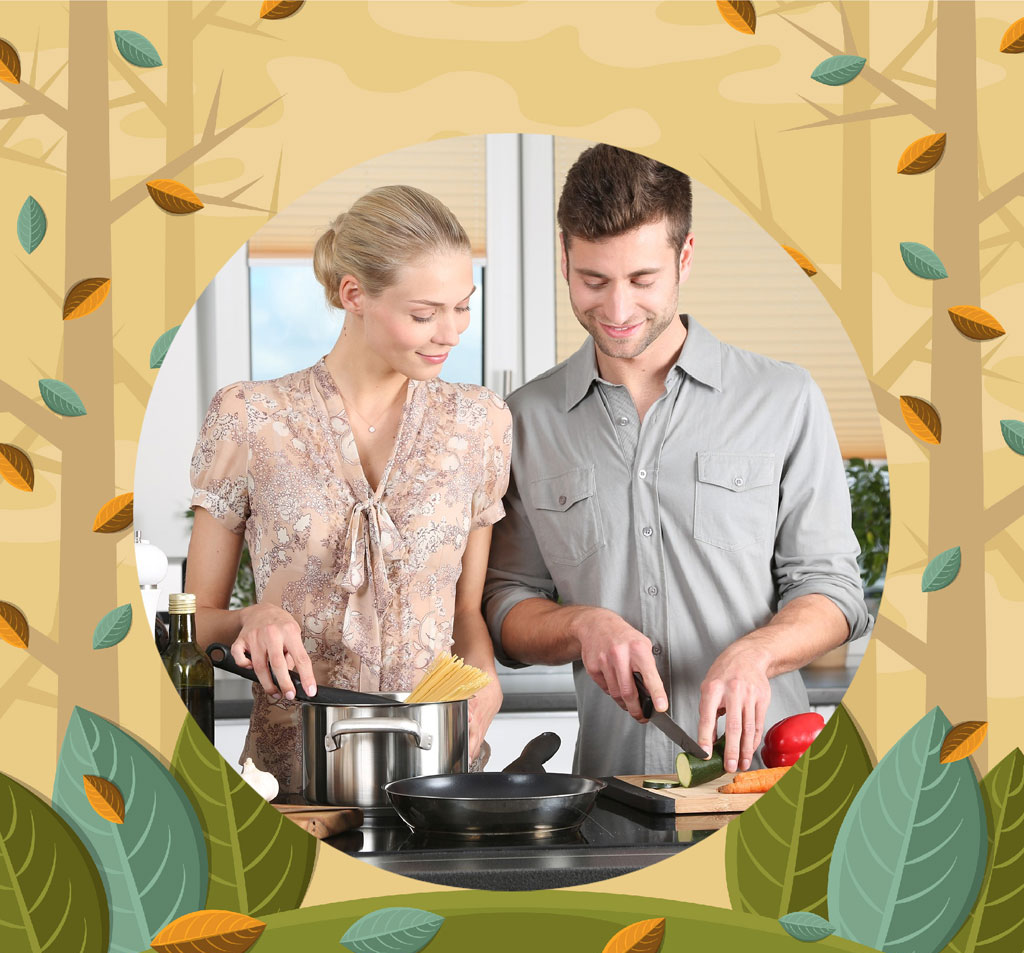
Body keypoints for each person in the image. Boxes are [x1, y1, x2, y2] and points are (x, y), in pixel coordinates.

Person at [483, 144, 870, 781]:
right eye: (593, 280)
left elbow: (833, 589)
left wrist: (759, 652)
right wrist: (583, 625)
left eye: (642, 280)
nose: (615, 311)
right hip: (610, 797)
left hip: (773, 788)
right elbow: (506, 603)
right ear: (564, 259)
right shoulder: (524, 420)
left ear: (684, 257)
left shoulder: (783, 397)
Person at [186, 185, 511, 794]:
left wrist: (485, 676)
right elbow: (193, 625)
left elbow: (466, 612)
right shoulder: (251, 417)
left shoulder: (482, 423)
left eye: (463, 307)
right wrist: (251, 617)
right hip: (289, 779)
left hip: (436, 773)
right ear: (353, 294)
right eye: (424, 314)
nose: (451, 332)